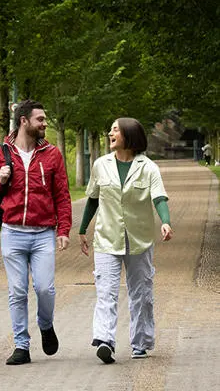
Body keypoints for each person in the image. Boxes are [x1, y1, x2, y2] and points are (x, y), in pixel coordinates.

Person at [0, 100, 72, 365]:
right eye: (40, 119)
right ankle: (21, 345)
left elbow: (62, 194)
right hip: (12, 232)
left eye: (44, 119)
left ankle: (45, 324)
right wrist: (1, 180)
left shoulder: (52, 154)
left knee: (45, 289)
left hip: (43, 233)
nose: (44, 124)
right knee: (17, 291)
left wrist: (63, 229)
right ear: (23, 121)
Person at [79, 117, 173, 364]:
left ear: (129, 136)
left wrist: (165, 221)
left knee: (141, 292)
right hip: (107, 238)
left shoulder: (149, 167)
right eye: (110, 129)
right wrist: (81, 229)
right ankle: (104, 341)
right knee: (106, 291)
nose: (110, 133)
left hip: (139, 239)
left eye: (115, 130)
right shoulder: (101, 165)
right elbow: (92, 199)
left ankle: (140, 343)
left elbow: (160, 198)